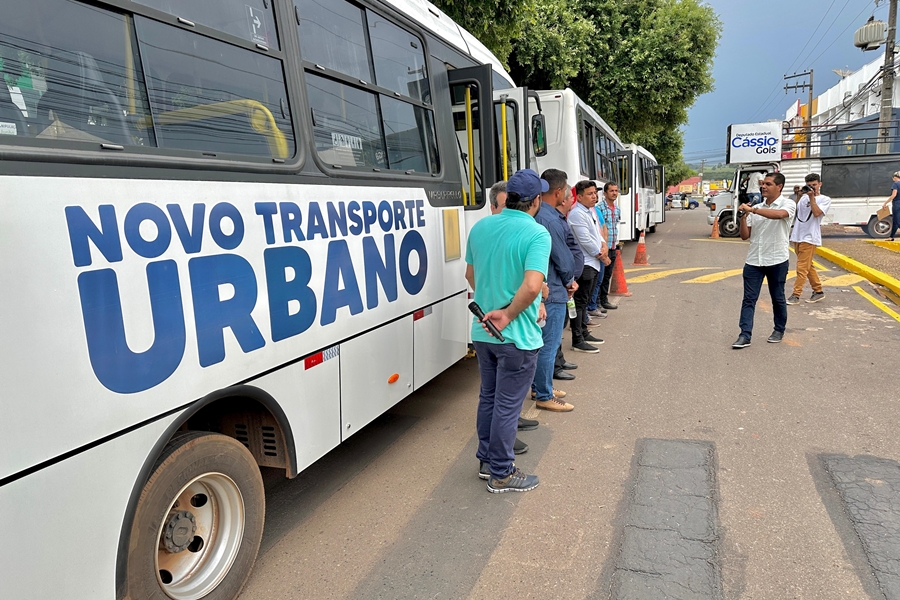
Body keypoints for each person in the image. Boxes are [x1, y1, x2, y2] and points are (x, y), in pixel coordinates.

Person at [465, 168, 549, 493]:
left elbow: (470, 275)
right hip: (517, 335)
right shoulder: (536, 234)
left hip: (483, 330)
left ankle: (487, 461)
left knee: (488, 396)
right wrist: (509, 312)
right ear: (536, 201)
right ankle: (502, 472)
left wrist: (492, 306)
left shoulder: (482, 227)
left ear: (510, 197)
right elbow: (532, 286)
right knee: (507, 404)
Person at [732, 172, 796, 348]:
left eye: (768, 184)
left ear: (779, 186)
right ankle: (745, 335)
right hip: (754, 260)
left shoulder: (788, 204)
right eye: (763, 184)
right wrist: (744, 218)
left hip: (776, 260)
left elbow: (779, 215)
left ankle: (779, 329)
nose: (763, 187)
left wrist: (752, 210)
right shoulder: (757, 207)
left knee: (777, 297)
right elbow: (745, 236)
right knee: (749, 299)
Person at [531, 168, 577, 412]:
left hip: (546, 288)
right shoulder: (549, 219)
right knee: (548, 346)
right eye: (566, 191)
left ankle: (541, 385)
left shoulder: (540, 215)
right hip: (553, 290)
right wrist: (570, 280)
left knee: (542, 345)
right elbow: (562, 257)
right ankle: (544, 394)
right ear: (558, 192)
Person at [568, 180, 607, 353]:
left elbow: (598, 234)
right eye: (590, 194)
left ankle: (584, 332)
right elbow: (585, 240)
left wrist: (604, 245)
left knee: (584, 302)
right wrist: (602, 254)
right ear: (580, 196)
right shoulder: (577, 213)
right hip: (584, 264)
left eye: (595, 193)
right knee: (579, 303)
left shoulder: (589, 211)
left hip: (594, 263)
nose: (594, 196)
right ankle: (577, 339)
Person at [788, 173, 830, 305]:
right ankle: (818, 291)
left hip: (810, 237)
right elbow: (792, 211)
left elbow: (817, 213)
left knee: (801, 267)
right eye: (809, 185)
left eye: (814, 185)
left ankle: (796, 295)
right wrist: (800, 196)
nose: (812, 188)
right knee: (808, 266)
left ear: (820, 184)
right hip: (797, 235)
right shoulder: (803, 198)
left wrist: (812, 198)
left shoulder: (825, 199)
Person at [597, 182, 622, 310]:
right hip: (603, 247)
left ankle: (604, 300)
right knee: (599, 277)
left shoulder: (617, 209)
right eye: (611, 191)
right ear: (605, 193)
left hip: (613, 246)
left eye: (616, 191)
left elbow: (615, 226)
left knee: (607, 276)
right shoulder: (600, 208)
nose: (614, 193)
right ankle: (596, 303)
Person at [881, 171, 900, 241]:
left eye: (893, 178)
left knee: (897, 221)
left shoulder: (895, 184)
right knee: (895, 221)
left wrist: (885, 203)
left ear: (895, 177)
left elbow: (894, 195)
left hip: (897, 204)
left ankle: (891, 237)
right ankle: (891, 237)